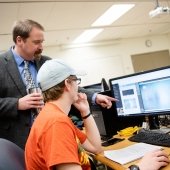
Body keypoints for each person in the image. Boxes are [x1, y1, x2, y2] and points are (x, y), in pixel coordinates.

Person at [25, 59, 170, 170]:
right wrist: (139, 168)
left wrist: (86, 112)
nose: (78, 85)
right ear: (68, 84)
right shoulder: (55, 123)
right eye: (76, 81)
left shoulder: (54, 116)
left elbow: (95, 148)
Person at [0, 19, 116, 149]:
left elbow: (69, 84)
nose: (41, 47)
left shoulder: (46, 63)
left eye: (42, 42)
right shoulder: (1, 64)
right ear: (19, 40)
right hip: (17, 140)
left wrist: (95, 96)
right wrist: (17, 104)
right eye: (36, 42)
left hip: (52, 132)